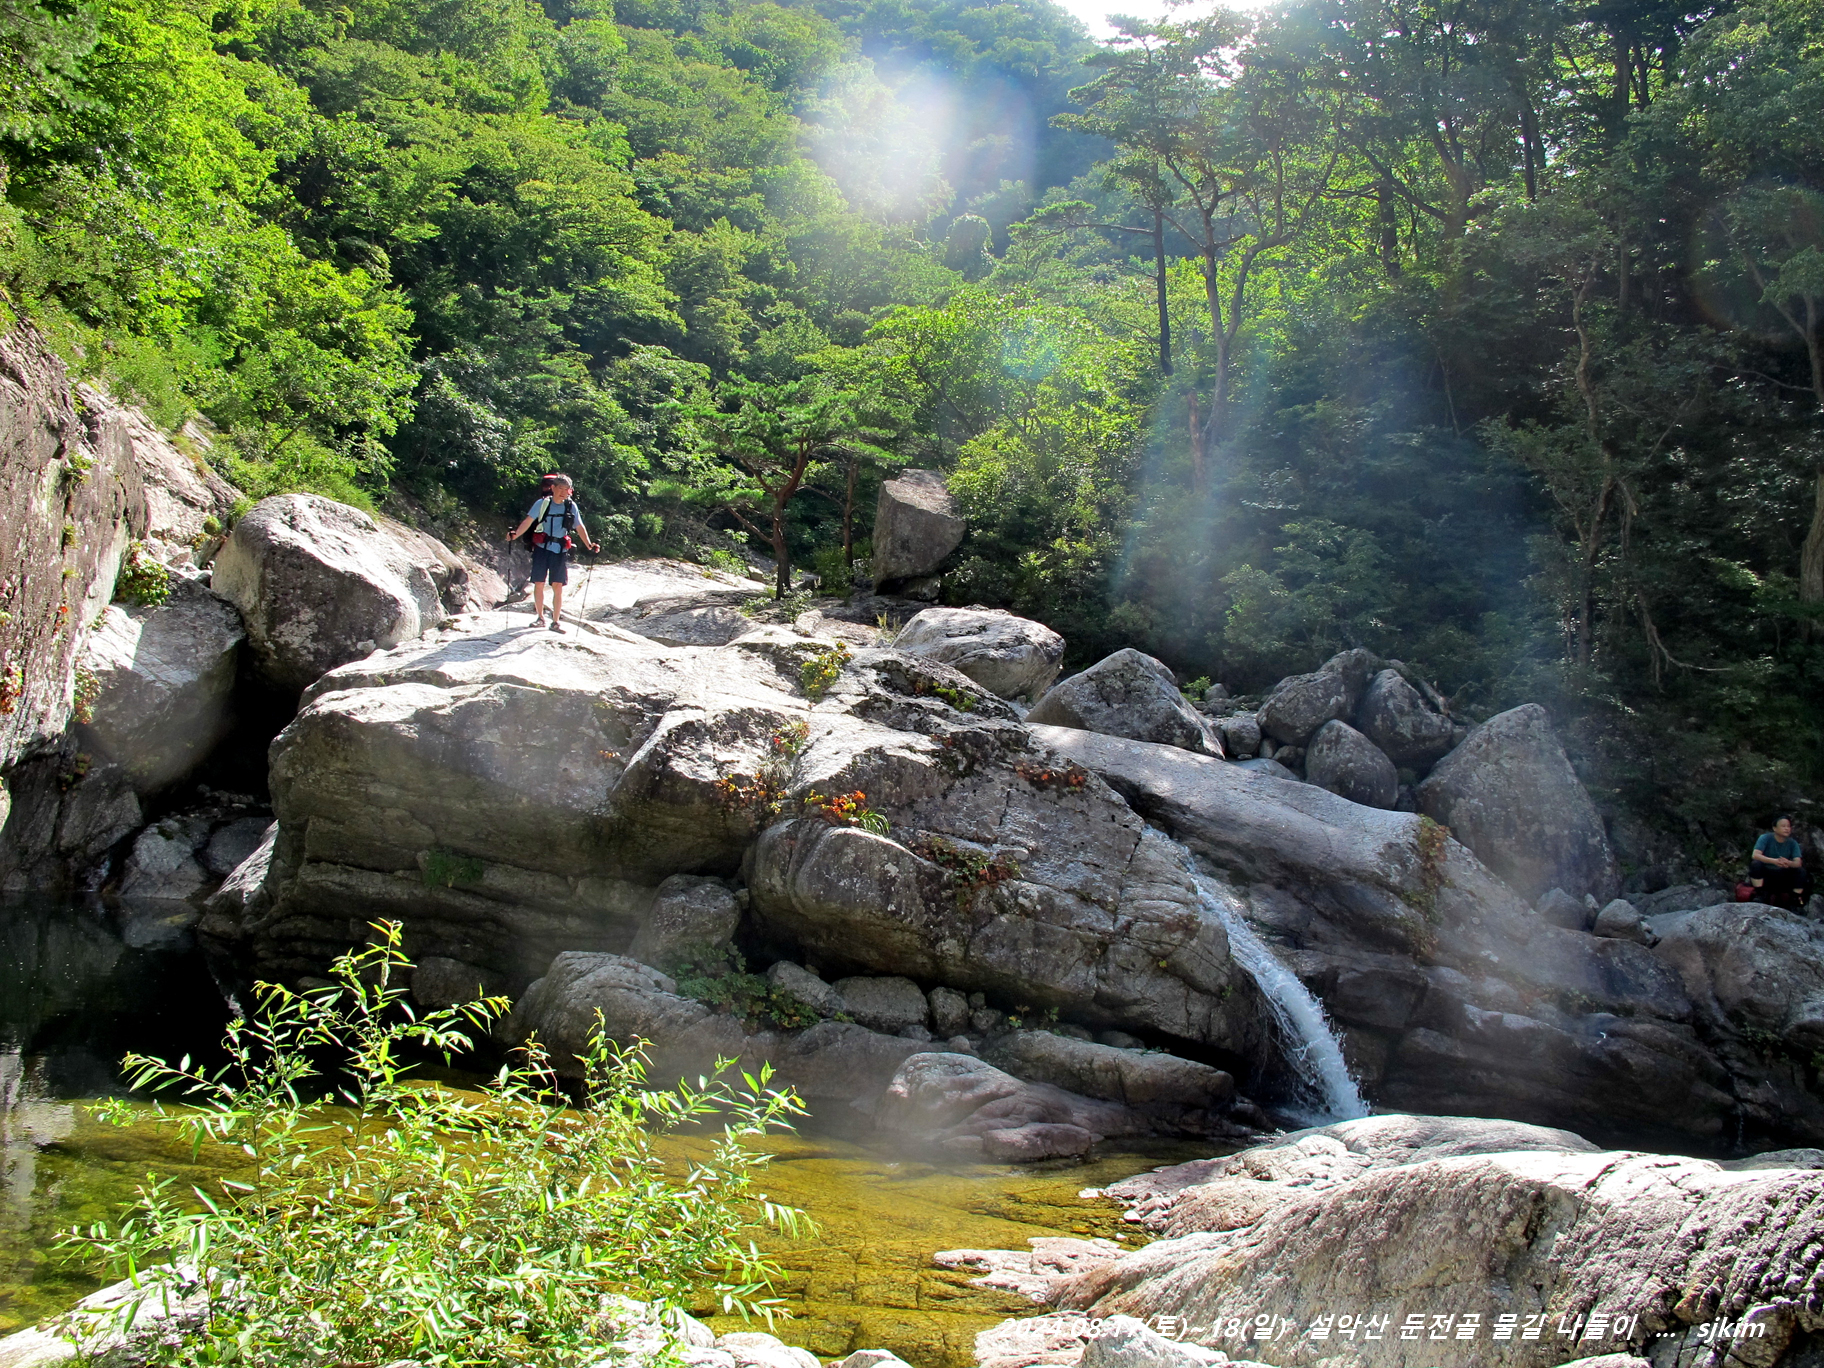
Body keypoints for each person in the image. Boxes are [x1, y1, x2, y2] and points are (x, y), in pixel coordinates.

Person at [505, 475, 599, 632]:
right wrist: (515, 535)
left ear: (570, 491)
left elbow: (579, 527)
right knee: (539, 583)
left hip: (559, 550)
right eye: (560, 489)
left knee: (557, 585)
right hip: (541, 548)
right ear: (553, 488)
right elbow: (528, 521)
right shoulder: (542, 504)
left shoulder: (571, 506)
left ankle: (555, 622)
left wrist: (589, 545)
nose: (563, 492)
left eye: (566, 490)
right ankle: (540, 618)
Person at [1750, 814, 1809, 910]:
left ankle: (1795, 899)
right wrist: (1774, 861)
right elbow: (1755, 855)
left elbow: (1798, 862)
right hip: (1767, 874)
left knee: (1801, 871)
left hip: (1783, 875)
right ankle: (1760, 894)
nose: (1786, 829)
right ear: (1775, 828)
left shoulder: (1792, 843)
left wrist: (1788, 863)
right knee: (1756, 864)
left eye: (1788, 826)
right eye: (1783, 826)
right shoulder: (1765, 838)